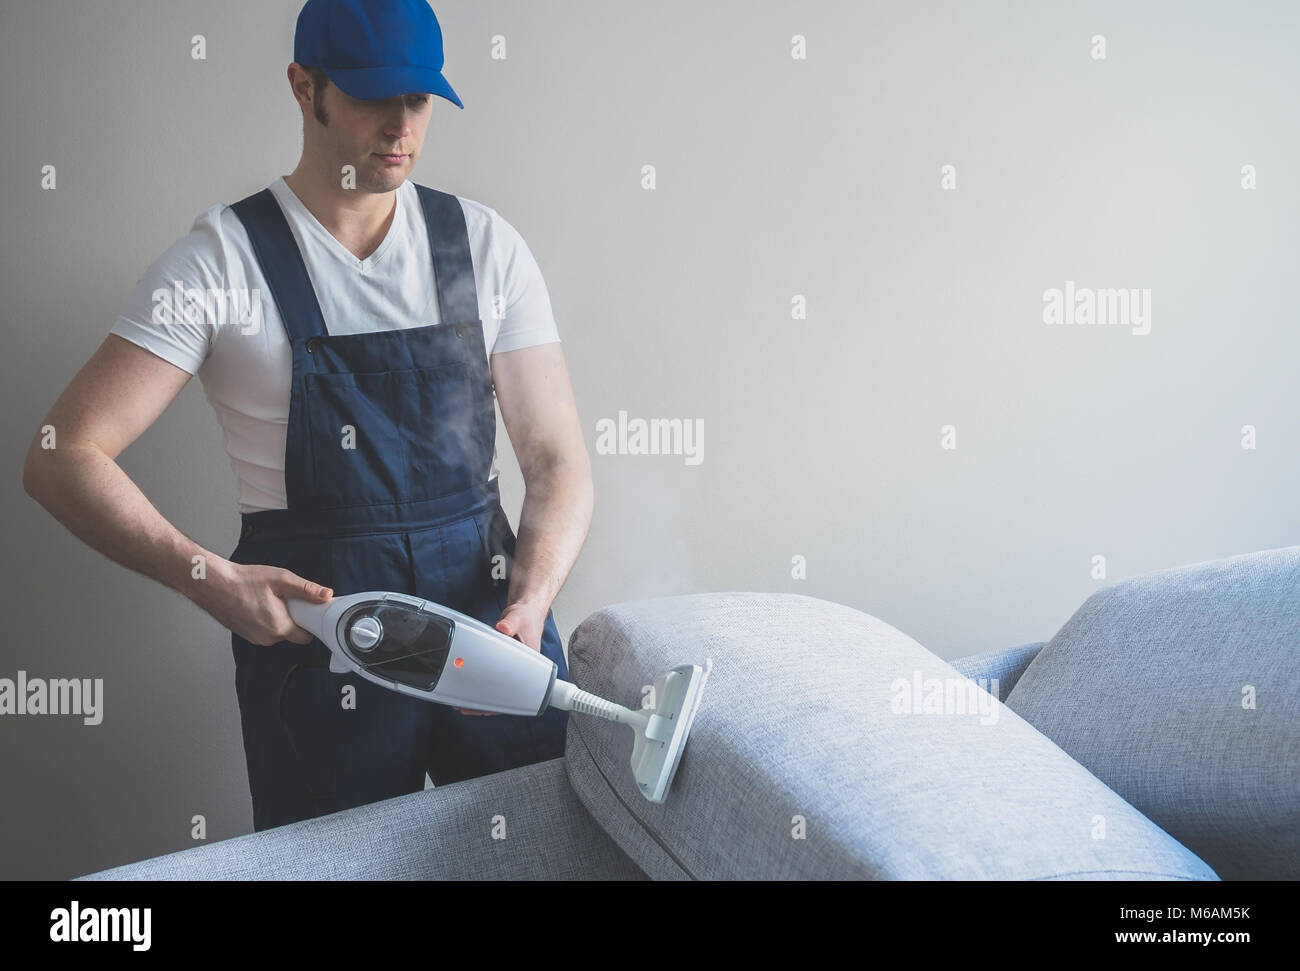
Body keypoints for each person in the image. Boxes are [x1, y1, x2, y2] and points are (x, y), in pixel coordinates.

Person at [21, 0, 593, 832]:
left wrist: (532, 600)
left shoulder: (484, 246)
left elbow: (556, 460)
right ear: (304, 87)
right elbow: (59, 455)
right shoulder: (222, 261)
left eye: (420, 101)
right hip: (320, 650)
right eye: (372, 96)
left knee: (542, 849)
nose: (400, 127)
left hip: (491, 627)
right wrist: (210, 580)